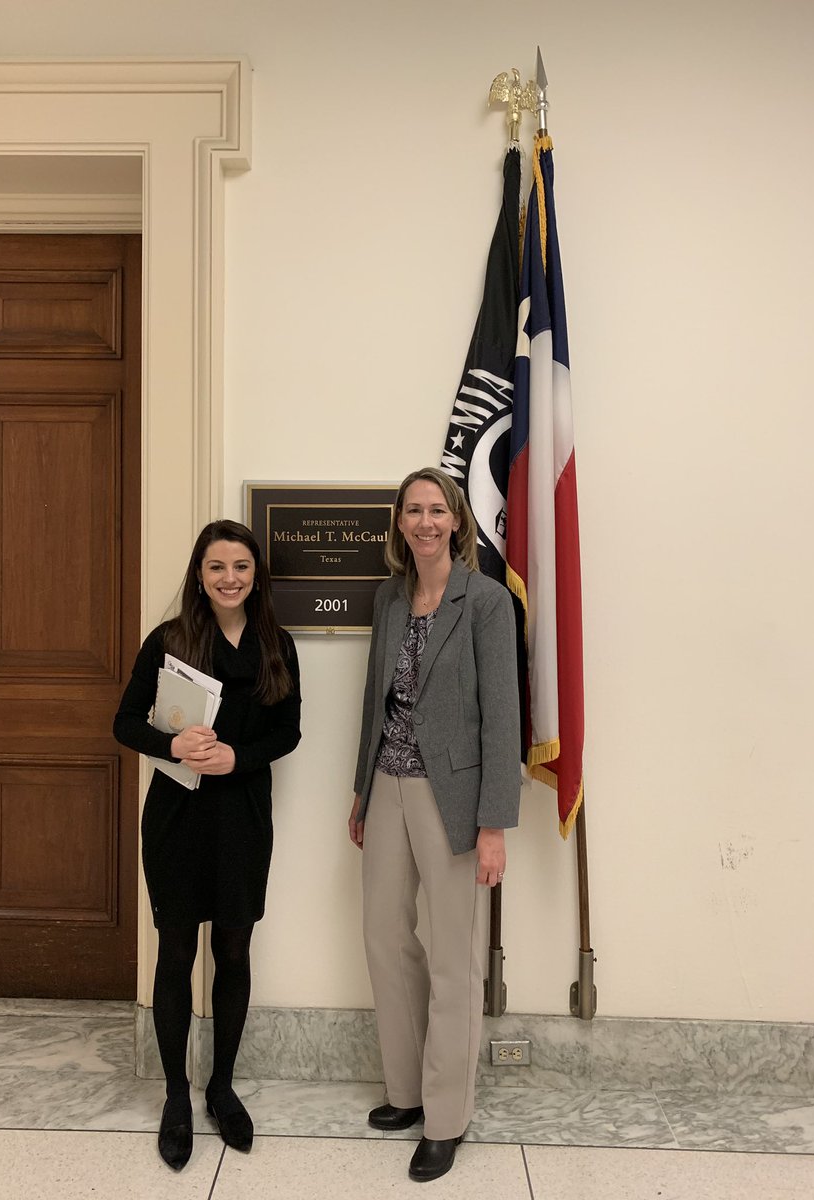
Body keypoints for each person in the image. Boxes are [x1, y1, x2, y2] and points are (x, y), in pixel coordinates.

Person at [349, 467, 520, 1183]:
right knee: (385, 936)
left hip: (453, 797)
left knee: (454, 957)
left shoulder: (486, 601)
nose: (425, 521)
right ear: (400, 521)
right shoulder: (390, 597)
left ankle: (446, 1118)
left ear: (456, 521)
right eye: (413, 510)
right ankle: (407, 1091)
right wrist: (361, 792)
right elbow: (375, 699)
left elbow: (502, 717)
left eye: (436, 510)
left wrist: (493, 826)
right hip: (387, 783)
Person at [114, 519, 301, 1171]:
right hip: (176, 818)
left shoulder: (277, 644)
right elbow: (124, 722)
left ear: (256, 575)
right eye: (217, 566)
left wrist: (238, 758)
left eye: (241, 566)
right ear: (199, 574)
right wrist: (172, 744)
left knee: (233, 949)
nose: (230, 578)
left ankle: (221, 1087)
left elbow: (288, 732)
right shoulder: (169, 640)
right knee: (175, 951)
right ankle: (176, 1095)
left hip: (243, 817)